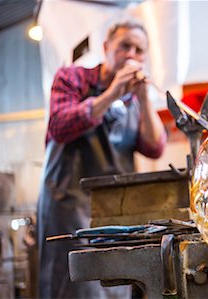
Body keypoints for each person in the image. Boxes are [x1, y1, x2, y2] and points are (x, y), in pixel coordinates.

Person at [36, 19, 166, 298]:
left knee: (115, 283)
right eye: (124, 46)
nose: (132, 54)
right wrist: (111, 94)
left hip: (114, 212)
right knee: (73, 286)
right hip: (69, 209)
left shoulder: (134, 100)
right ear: (106, 48)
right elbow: (59, 126)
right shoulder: (71, 78)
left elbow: (155, 148)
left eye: (139, 50)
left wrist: (144, 99)